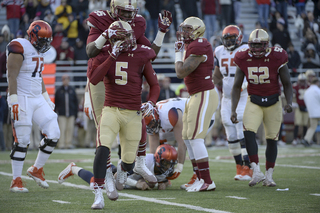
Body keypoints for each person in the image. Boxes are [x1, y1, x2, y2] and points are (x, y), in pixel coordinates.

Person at [84, 0, 172, 186]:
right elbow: (90, 51)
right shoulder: (100, 20)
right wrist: (107, 34)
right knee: (103, 128)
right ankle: (106, 172)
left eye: (130, 12)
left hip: (124, 75)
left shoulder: (137, 23)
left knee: (135, 118)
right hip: (102, 73)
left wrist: (161, 33)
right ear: (114, 10)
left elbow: (150, 53)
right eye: (124, 12)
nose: (128, 16)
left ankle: (131, 164)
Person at [86, 21, 160, 209]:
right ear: (113, 38)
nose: (125, 40)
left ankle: (122, 169)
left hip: (133, 113)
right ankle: (98, 195)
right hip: (110, 109)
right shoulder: (103, 52)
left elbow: (155, 85)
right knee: (102, 149)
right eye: (121, 37)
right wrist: (111, 56)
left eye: (127, 36)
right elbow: (94, 80)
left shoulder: (142, 54)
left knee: (128, 163)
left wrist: (151, 102)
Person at [231, 29, 293, 187]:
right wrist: (233, 109)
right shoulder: (243, 57)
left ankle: (269, 175)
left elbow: (287, 83)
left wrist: (289, 102)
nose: (257, 48)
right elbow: (237, 86)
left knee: (272, 139)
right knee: (248, 133)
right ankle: (256, 171)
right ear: (249, 44)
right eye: (254, 45)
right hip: (254, 100)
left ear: (267, 45)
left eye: (260, 45)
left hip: (274, 101)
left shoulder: (277, 56)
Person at [6, 20, 60, 192]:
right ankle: (16, 180)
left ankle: (36, 169)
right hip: (22, 97)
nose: (45, 43)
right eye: (42, 39)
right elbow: (12, 76)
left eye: (47, 40)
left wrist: (46, 98)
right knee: (22, 139)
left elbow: (38, 76)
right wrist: (13, 99)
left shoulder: (38, 51)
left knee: (54, 132)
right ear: (32, 35)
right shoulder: (19, 46)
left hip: (37, 98)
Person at [174, 17, 219, 192]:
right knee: (186, 137)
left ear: (198, 31)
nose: (184, 33)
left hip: (204, 93)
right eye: (183, 29)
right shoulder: (192, 45)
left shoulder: (199, 45)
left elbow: (181, 71)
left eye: (188, 30)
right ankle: (199, 178)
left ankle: (207, 181)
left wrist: (177, 54)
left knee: (195, 137)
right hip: (195, 94)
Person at [143, 97, 217, 189]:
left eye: (153, 123)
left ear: (156, 115)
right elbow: (154, 151)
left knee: (191, 141)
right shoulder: (151, 120)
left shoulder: (170, 114)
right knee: (162, 143)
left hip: (202, 113)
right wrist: (156, 172)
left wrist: (179, 167)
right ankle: (197, 177)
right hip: (187, 117)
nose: (152, 127)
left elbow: (182, 143)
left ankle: (198, 176)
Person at [213, 25, 252, 181]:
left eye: (232, 38)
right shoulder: (218, 51)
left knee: (241, 128)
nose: (229, 41)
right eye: (226, 39)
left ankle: (248, 168)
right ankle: (239, 167)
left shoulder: (245, 50)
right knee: (230, 132)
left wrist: (246, 85)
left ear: (239, 38)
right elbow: (217, 74)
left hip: (243, 95)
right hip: (226, 97)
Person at [58, 144, 178, 190]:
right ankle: (73, 168)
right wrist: (137, 184)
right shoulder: (145, 161)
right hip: (123, 170)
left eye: (171, 164)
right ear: (158, 159)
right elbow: (118, 176)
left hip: (130, 174)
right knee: (98, 184)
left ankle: (103, 162)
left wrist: (164, 183)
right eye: (167, 163)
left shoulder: (163, 168)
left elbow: (164, 180)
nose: (169, 167)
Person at [55, 74, 78, 149]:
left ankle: (68, 143)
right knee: (62, 129)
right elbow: (56, 103)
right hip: (62, 113)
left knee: (70, 129)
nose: (66, 80)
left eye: (67, 79)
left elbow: (76, 102)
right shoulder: (59, 90)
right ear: (62, 80)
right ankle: (61, 144)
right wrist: (56, 113)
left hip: (71, 113)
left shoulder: (72, 90)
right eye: (64, 79)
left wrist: (75, 113)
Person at [301, 77, 320, 146]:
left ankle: (306, 139)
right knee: (313, 127)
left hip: (312, 113)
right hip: (319, 111)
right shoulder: (317, 90)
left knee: (312, 127)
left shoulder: (307, 91)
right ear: (317, 82)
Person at [292, 73, 309, 146]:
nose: (302, 82)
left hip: (307, 107)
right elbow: (291, 95)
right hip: (298, 107)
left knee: (305, 124)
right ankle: (295, 139)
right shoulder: (295, 86)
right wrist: (293, 102)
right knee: (297, 123)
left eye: (303, 80)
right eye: (301, 80)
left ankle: (304, 138)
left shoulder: (308, 86)